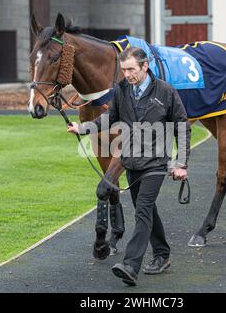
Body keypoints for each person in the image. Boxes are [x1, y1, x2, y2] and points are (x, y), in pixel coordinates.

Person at [67, 47, 191, 286]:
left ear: (145, 67)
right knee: (147, 209)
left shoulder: (165, 92)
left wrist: (181, 163)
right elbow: (109, 119)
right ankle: (162, 254)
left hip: (156, 163)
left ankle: (131, 265)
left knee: (142, 210)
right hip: (131, 161)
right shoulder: (122, 90)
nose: (128, 75)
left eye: (132, 69)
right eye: (124, 70)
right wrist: (82, 129)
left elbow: (182, 127)